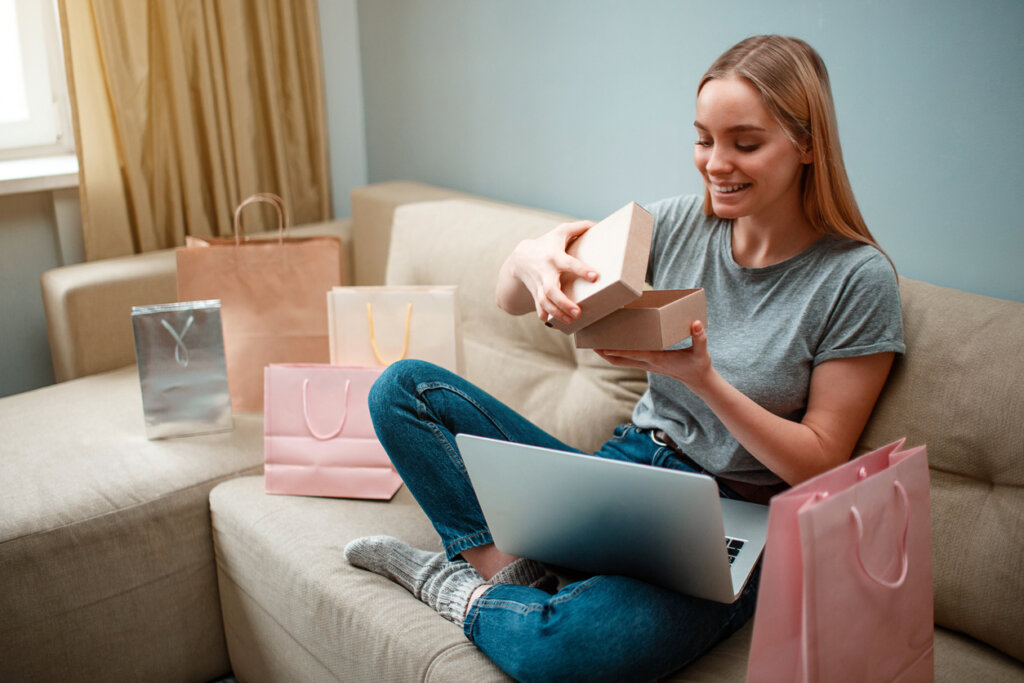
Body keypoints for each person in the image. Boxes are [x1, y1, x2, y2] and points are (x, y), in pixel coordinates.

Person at [344, 34, 905, 682]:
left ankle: (458, 588)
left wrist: (703, 380)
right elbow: (511, 300)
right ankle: (517, 577)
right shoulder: (671, 224)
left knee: (564, 655)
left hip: (734, 510)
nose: (715, 163)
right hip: (630, 471)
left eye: (744, 143)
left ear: (808, 145)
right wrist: (528, 258)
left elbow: (821, 461)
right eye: (703, 138)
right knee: (400, 389)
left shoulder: (856, 279)